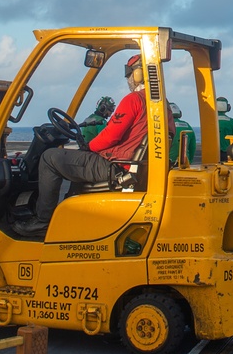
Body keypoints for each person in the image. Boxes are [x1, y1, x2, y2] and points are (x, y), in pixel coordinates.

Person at [12, 55, 149, 237]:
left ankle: (43, 221)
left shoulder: (134, 100)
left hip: (115, 166)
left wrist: (89, 147)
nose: (128, 79)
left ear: (138, 74)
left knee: (49, 158)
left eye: (129, 74)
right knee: (75, 162)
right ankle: (71, 214)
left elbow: (111, 136)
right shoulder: (162, 106)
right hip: (130, 166)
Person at [216, 97, 233, 162]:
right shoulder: (232, 122)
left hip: (213, 153)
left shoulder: (210, 121)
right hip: (227, 154)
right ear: (228, 107)